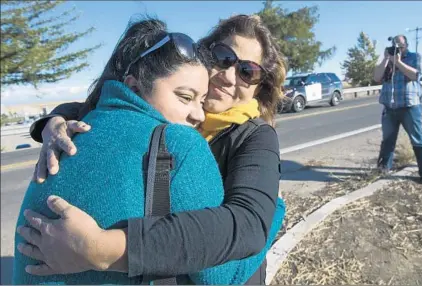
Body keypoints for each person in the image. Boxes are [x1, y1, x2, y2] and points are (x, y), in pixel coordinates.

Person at [14, 16, 285, 285]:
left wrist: (104, 249)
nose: (228, 76)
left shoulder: (255, 137)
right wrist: (54, 122)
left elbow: (248, 226)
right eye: (223, 57)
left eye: (248, 72)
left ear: (260, 88)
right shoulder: (158, 120)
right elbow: (99, 106)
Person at [373, 34, 422, 184]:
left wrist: (398, 62)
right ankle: (384, 168)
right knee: (387, 140)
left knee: (417, 140)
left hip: (409, 107)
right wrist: (386, 59)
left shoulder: (415, 57)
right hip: (390, 108)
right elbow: (376, 77)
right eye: (394, 45)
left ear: (406, 45)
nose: (396, 48)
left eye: (400, 45)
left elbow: (416, 75)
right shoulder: (387, 60)